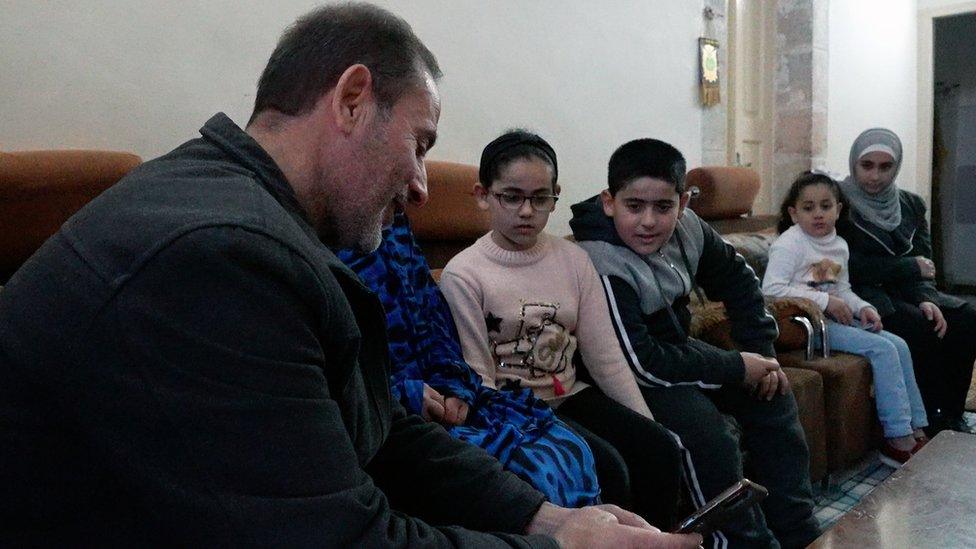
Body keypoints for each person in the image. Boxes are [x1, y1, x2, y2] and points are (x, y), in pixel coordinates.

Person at [0, 4, 704, 548]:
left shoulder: (244, 213)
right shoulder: (219, 257)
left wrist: (551, 518)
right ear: (351, 99)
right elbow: (341, 538)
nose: (424, 185)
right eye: (420, 144)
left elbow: (378, 426)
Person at [569, 138, 820, 549]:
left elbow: (739, 281)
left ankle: (800, 533)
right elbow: (641, 361)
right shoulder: (599, 260)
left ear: (683, 203)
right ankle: (742, 543)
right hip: (631, 372)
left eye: (663, 207)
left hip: (678, 350)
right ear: (609, 202)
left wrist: (763, 357)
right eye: (634, 207)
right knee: (706, 434)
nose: (648, 221)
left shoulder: (690, 228)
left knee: (773, 395)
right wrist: (738, 367)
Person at [439, 130, 685, 530]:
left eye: (540, 198)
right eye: (511, 196)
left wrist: (647, 423)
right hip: (513, 407)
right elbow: (477, 375)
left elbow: (605, 356)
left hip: (569, 395)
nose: (526, 211)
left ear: (555, 195)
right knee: (608, 467)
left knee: (659, 449)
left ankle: (655, 540)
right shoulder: (464, 274)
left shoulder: (573, 259)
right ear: (483, 195)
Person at [338, 212, 602, 508]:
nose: (419, 190)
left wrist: (454, 387)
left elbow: (434, 324)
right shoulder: (317, 250)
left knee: (575, 451)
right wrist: (406, 393)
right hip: (385, 419)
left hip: (450, 400)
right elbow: (340, 374)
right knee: (527, 478)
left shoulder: (394, 225)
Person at [763, 171, 929, 466]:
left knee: (899, 344)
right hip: (809, 325)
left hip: (836, 318)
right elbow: (772, 290)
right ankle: (896, 437)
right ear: (793, 213)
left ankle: (916, 427)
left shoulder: (839, 245)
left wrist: (863, 307)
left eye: (826, 206)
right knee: (882, 349)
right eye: (808, 207)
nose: (818, 214)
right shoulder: (790, 244)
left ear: (838, 209)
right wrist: (826, 301)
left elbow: (842, 288)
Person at [837, 128, 976, 436]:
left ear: (896, 166)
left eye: (885, 167)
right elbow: (853, 267)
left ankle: (950, 415)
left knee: (966, 318)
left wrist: (928, 297)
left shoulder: (911, 204)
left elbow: (926, 263)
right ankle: (925, 418)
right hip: (864, 295)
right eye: (867, 165)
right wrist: (909, 267)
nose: (875, 176)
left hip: (906, 290)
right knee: (919, 326)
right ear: (854, 164)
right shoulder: (838, 202)